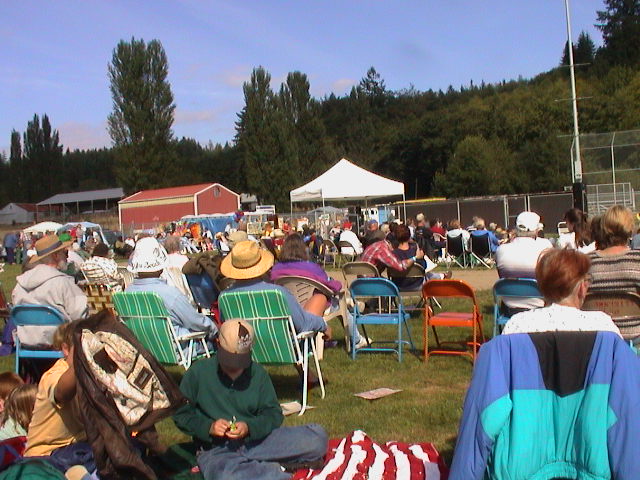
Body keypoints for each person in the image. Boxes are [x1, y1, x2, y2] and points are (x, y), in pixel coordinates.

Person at [173, 319, 328, 480]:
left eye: (241, 359)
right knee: (227, 475)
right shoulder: (198, 373)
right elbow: (181, 414)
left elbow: (273, 413)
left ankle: (262, 468)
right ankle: (274, 471)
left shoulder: (257, 373)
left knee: (317, 439)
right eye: (230, 359)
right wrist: (209, 427)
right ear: (218, 344)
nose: (235, 366)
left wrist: (249, 427)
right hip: (216, 449)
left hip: (257, 441)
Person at [221, 241, 329, 338]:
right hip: (280, 348)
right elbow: (303, 324)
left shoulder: (224, 297)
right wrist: (323, 325)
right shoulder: (277, 293)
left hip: (243, 347)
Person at [502, 249, 620, 336]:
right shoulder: (603, 326)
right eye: (587, 280)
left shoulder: (517, 325)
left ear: (541, 286)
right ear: (582, 287)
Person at [24, 322, 92, 474]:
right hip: (47, 455)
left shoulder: (93, 377)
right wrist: (81, 362)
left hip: (78, 448)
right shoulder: (54, 375)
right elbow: (61, 393)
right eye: (82, 348)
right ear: (66, 349)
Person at [125, 237, 217, 344]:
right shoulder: (170, 294)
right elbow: (196, 322)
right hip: (178, 347)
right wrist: (215, 328)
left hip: (144, 347)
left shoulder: (126, 293)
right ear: (160, 267)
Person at [12, 234, 88, 346]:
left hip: (27, 343)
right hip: (60, 343)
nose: (67, 257)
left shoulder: (19, 285)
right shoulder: (63, 283)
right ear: (56, 256)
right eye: (65, 253)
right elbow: (80, 315)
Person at [495, 211, 553, 314]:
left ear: (516, 228)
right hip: (541, 306)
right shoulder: (545, 247)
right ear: (537, 230)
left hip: (509, 307)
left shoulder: (501, 250)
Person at [391, 224, 451, 290]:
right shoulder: (417, 252)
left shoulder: (392, 255)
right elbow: (424, 267)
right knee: (428, 275)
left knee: (429, 275)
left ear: (395, 237)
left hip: (397, 287)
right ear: (409, 236)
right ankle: (442, 276)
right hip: (417, 286)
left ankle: (441, 276)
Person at [361, 235, 425, 276]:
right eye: (395, 246)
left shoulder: (378, 244)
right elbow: (400, 266)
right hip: (369, 281)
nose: (394, 249)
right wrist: (415, 257)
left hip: (363, 278)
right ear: (389, 243)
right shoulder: (382, 249)